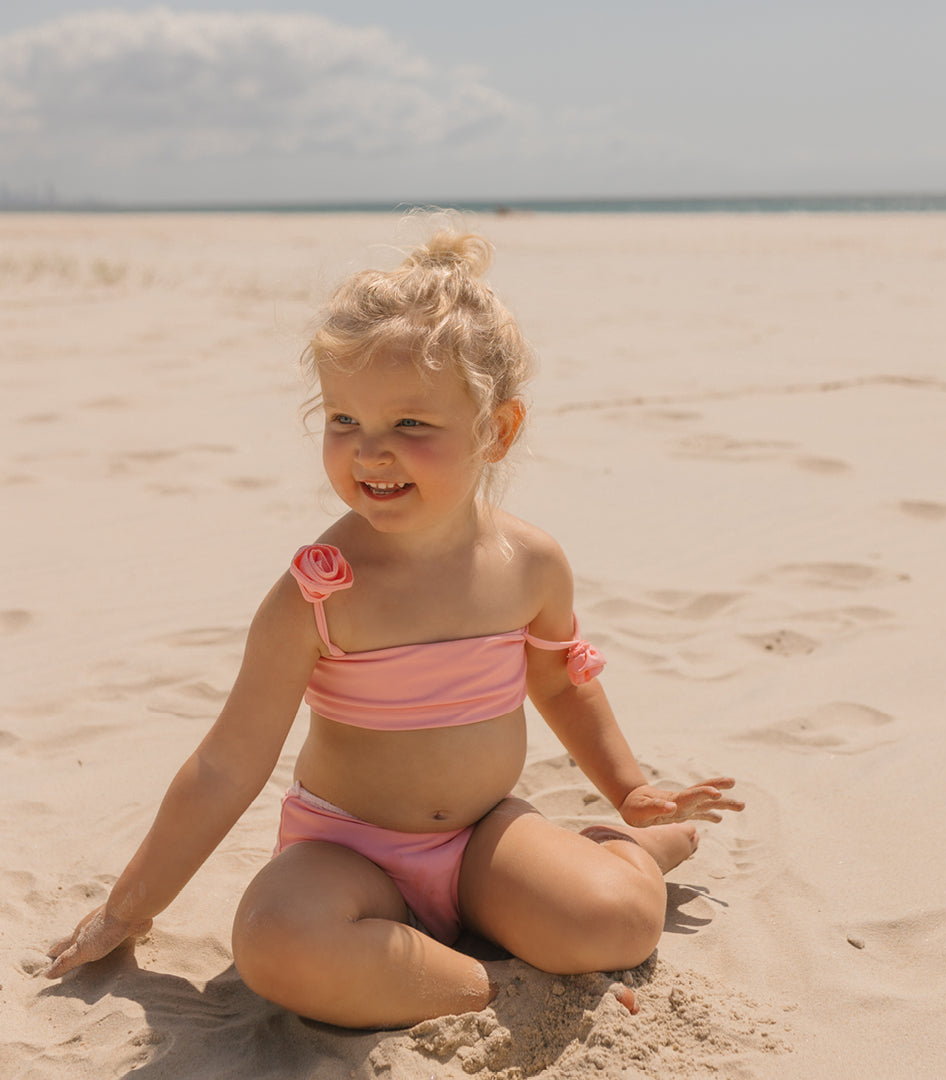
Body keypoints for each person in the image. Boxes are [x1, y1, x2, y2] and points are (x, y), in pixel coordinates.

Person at [44, 227, 744, 1029]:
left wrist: (630, 789)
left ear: (498, 431)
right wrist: (128, 909)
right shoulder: (317, 594)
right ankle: (496, 987)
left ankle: (627, 850)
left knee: (611, 924)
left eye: (411, 425)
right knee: (276, 943)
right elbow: (225, 766)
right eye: (344, 419)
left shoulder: (530, 563)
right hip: (346, 855)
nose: (371, 451)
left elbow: (558, 680)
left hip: (485, 838)